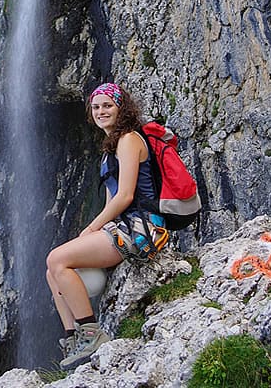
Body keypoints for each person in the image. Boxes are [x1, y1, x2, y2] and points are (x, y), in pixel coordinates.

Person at [45, 82, 165, 370]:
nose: (101, 111)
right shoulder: (109, 149)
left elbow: (125, 196)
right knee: (52, 272)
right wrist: (96, 229)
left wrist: (91, 229)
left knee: (56, 259)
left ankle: (92, 333)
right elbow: (112, 200)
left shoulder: (129, 140)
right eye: (96, 107)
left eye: (107, 105)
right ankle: (73, 337)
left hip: (142, 229)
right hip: (121, 226)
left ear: (120, 107)